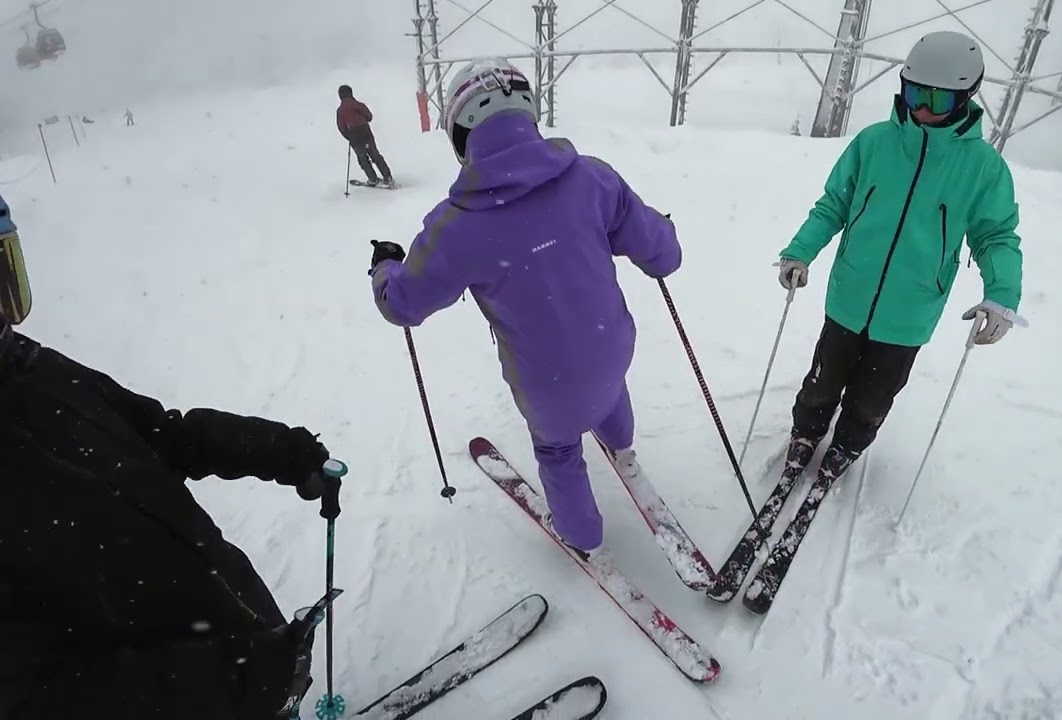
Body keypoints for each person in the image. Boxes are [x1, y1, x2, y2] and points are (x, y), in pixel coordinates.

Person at [0, 192, 335, 719]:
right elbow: (40, 699)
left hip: (234, 622)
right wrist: (235, 683)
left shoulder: (31, 366)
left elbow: (162, 434)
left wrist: (282, 452)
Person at [367, 59, 680, 560]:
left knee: (558, 448)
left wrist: (385, 268)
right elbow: (663, 254)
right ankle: (621, 443)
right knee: (605, 383)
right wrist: (660, 228)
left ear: (461, 136)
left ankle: (582, 536)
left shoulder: (456, 226)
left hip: (547, 383)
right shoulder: (593, 179)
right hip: (613, 344)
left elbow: (402, 304)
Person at [775, 30, 1026, 481]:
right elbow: (833, 205)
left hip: (911, 311)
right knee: (822, 380)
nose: (922, 108)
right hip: (850, 295)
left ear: (966, 97)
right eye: (914, 93)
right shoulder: (873, 143)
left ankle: (848, 445)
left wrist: (1002, 294)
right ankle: (806, 433)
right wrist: (799, 252)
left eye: (938, 99)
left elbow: (996, 236)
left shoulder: (983, 168)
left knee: (873, 397)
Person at [337, 84, 394, 186]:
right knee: (374, 155)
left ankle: (372, 179)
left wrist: (349, 137)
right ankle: (387, 177)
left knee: (362, 158)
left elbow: (341, 127)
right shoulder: (357, 105)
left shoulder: (340, 111)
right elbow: (369, 116)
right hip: (365, 132)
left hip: (354, 136)